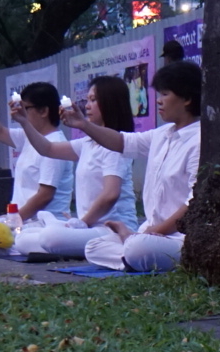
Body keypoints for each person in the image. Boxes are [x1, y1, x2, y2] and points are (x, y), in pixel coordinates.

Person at [74, 61, 202, 272]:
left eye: (165, 94)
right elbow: (122, 142)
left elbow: (194, 202)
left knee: (138, 247)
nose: (158, 101)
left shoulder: (199, 139)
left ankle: (135, 252)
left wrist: (154, 233)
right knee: (93, 247)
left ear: (187, 99)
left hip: (179, 238)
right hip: (148, 235)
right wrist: (84, 125)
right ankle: (133, 254)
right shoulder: (162, 134)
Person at [11, 75, 140, 257]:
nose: (87, 106)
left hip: (111, 229)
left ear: (110, 103)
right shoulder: (87, 143)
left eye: (93, 100)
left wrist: (82, 223)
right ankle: (63, 234)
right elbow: (47, 148)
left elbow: (111, 194)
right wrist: (25, 121)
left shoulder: (114, 145)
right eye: (87, 100)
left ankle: (76, 239)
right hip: (89, 227)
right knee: (23, 238)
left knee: (50, 238)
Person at [0, 80, 73, 221]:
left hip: (44, 225)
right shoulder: (30, 136)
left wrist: (10, 221)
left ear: (43, 111)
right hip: (23, 222)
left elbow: (44, 196)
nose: (20, 112)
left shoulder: (56, 145)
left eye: (25, 108)